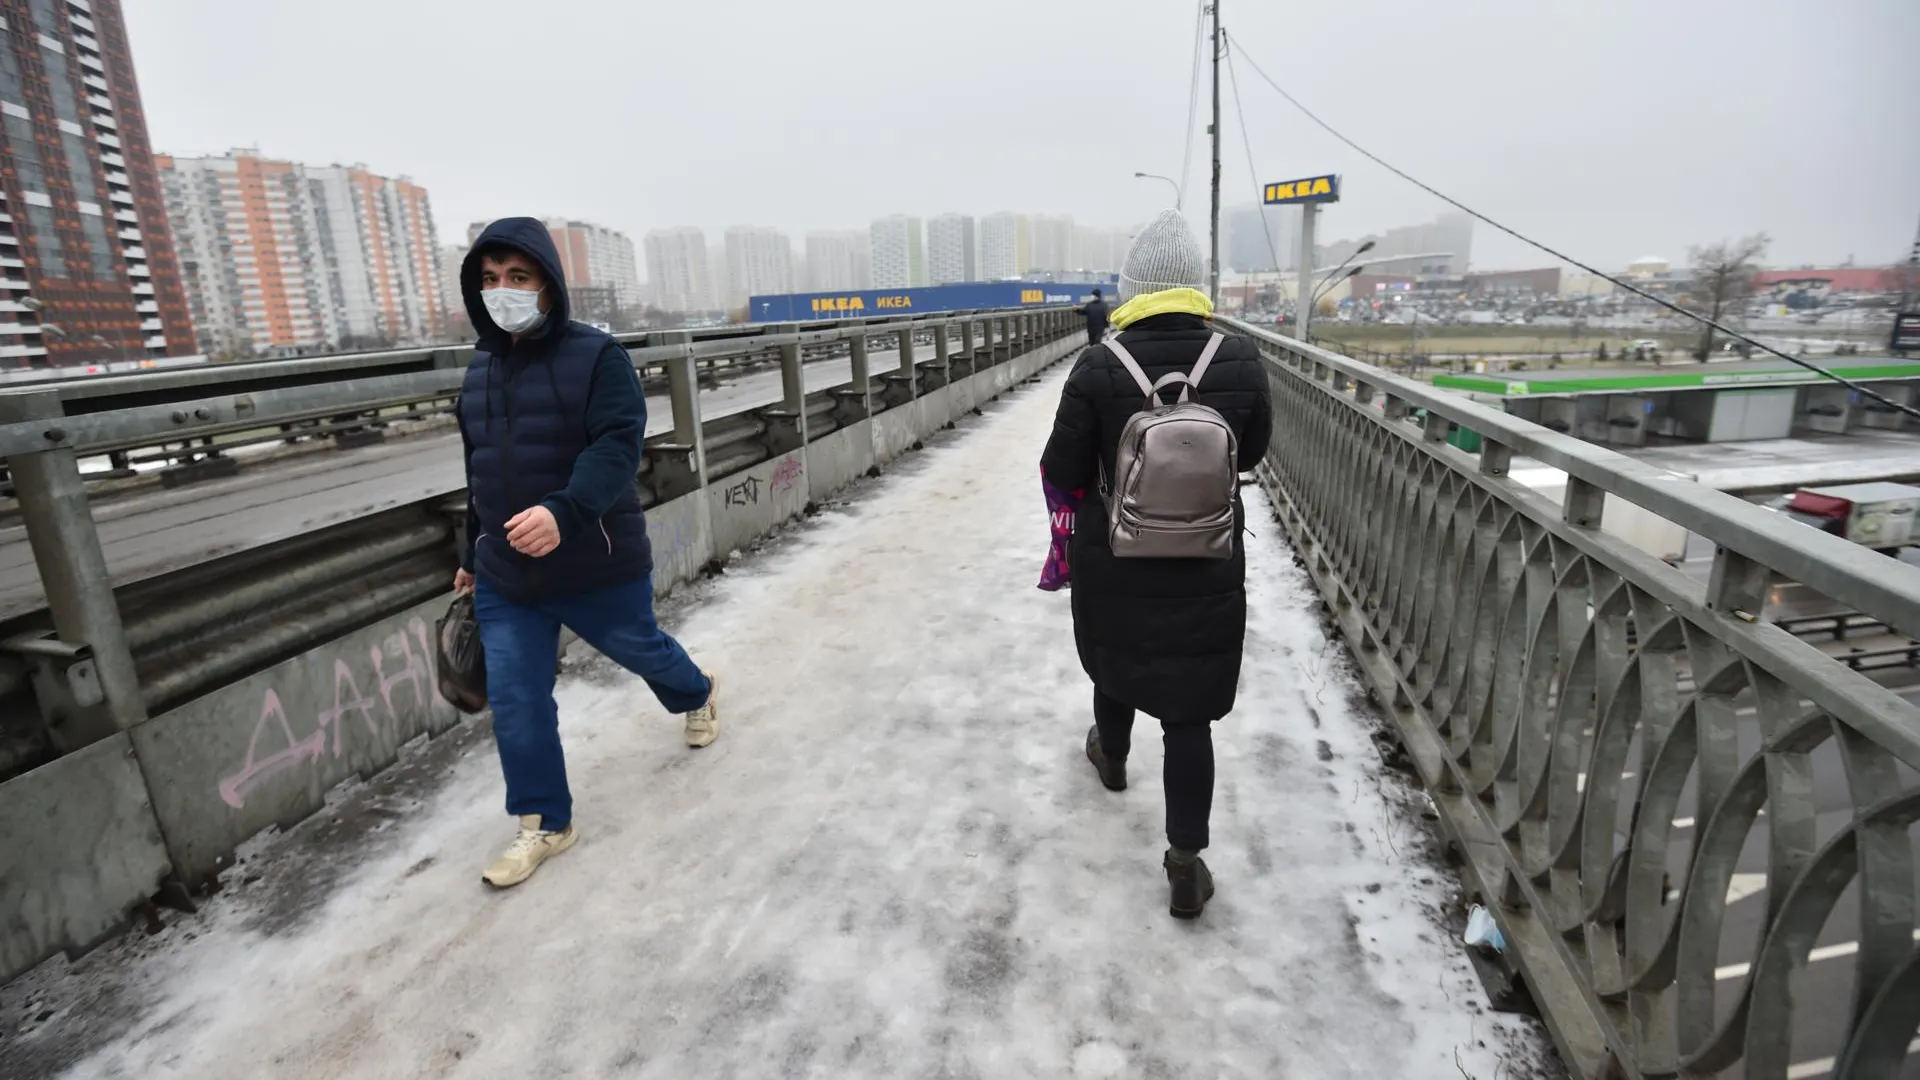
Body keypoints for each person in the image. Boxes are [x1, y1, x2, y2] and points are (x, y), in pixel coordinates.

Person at [453, 217, 721, 890]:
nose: (502, 291)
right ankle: (544, 821)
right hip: (506, 571)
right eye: (489, 280)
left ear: (548, 284)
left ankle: (697, 692)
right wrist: (468, 547)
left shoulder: (597, 358)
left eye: (518, 277)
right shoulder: (480, 370)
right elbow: (479, 467)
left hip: (593, 558)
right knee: (516, 699)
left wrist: (564, 512)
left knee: (643, 650)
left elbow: (617, 447)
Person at [1039, 209, 1273, 920]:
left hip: (1116, 554)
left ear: (1132, 286)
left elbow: (1062, 466)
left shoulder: (1098, 365)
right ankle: (1184, 863)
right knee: (1187, 715)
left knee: (1118, 661)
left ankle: (1110, 758)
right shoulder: (1238, 359)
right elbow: (1252, 453)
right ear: (1195, 286)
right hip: (1205, 561)